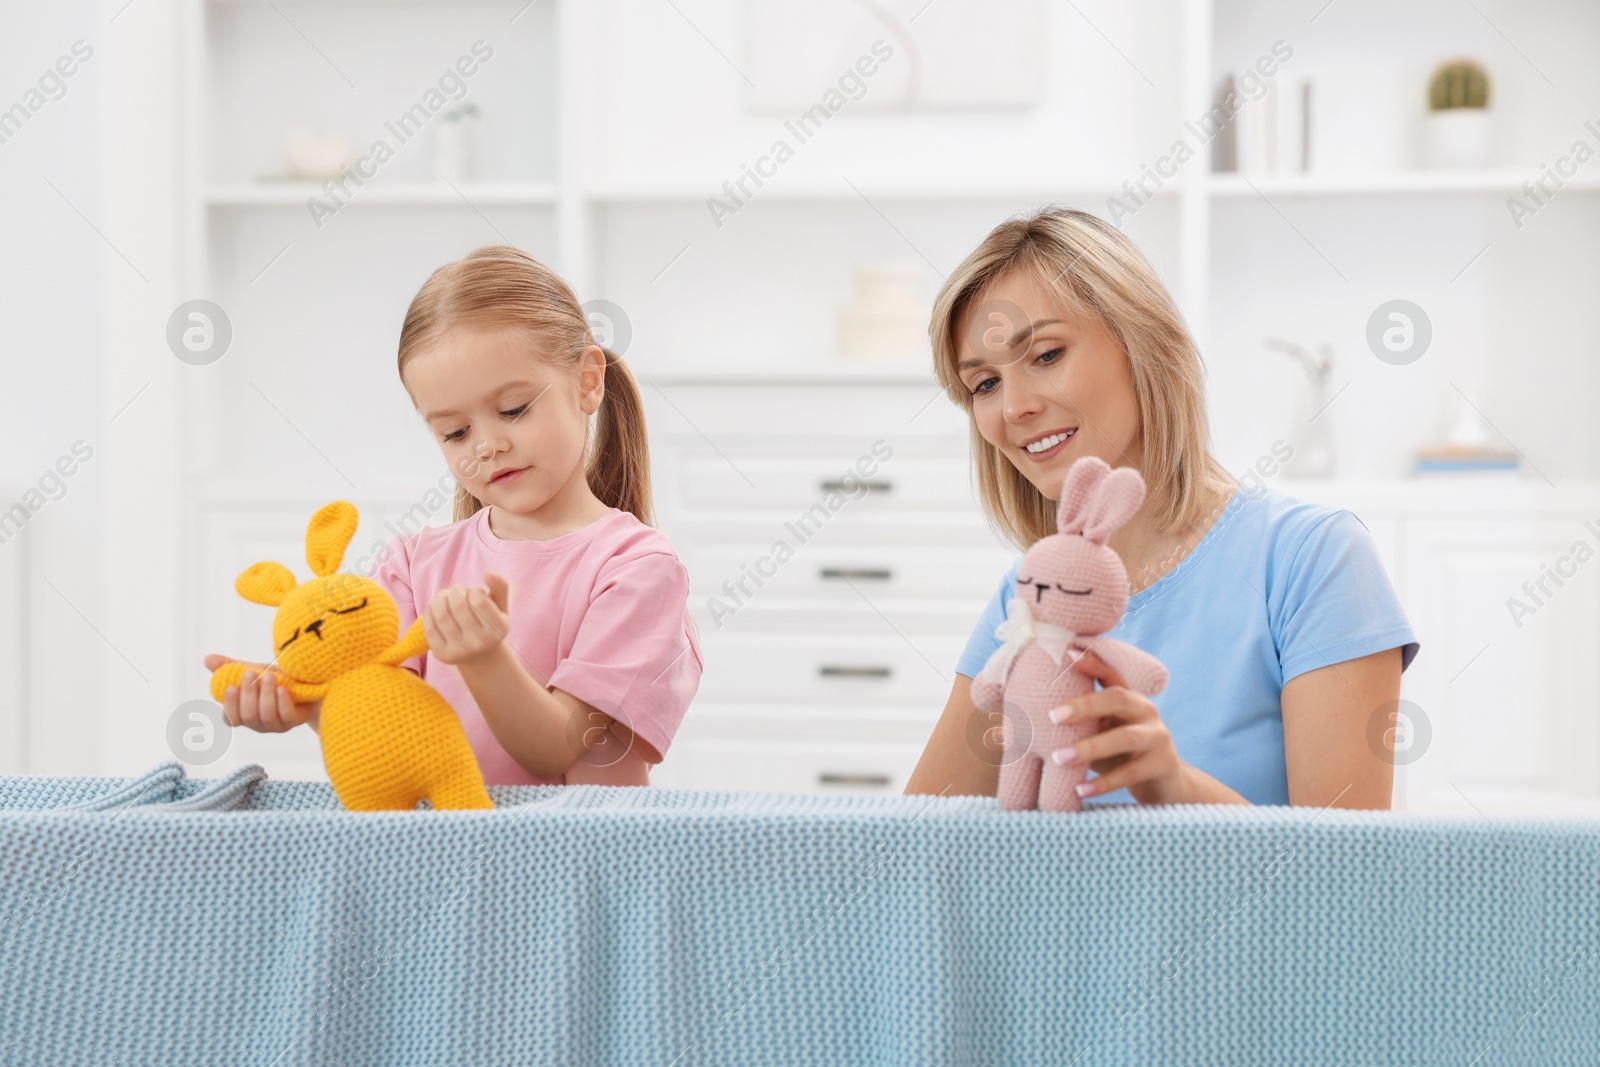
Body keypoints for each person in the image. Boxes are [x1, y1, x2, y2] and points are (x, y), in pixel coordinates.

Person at [905, 208, 1419, 809]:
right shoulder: (1033, 598)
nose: (1013, 407)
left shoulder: (1312, 559)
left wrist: (1177, 789)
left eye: (1045, 354)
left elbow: (1349, 877)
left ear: (1143, 343)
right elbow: (909, 844)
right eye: (984, 384)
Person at [205, 245, 703, 786]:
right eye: (455, 432)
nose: (486, 446)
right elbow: (389, 730)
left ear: (587, 381)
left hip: (577, 860)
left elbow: (560, 749)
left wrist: (485, 659)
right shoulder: (413, 565)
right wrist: (307, 706)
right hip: (444, 855)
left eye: (513, 410)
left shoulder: (636, 569)